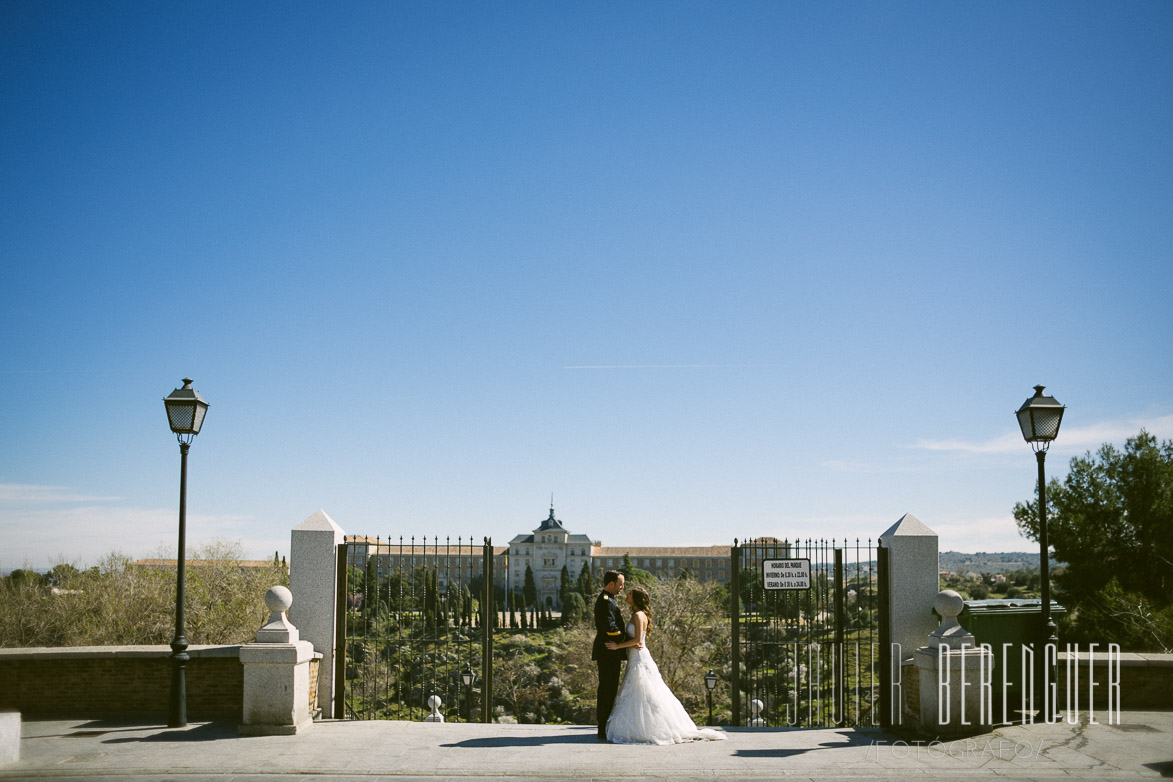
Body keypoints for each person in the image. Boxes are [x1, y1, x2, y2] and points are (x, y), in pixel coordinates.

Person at [604, 586, 726, 745]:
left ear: (636, 598)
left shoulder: (638, 615)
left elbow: (638, 641)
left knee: (643, 690)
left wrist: (617, 646)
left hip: (639, 657)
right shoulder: (637, 614)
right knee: (640, 691)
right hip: (634, 656)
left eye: (630, 594)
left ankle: (648, 728)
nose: (626, 595)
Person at [592, 570, 629, 741]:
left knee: (608, 689)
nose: (622, 587)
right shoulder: (606, 602)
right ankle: (603, 727)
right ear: (611, 584)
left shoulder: (609, 600)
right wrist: (625, 639)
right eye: (620, 584)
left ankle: (604, 725)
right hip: (608, 651)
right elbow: (610, 629)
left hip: (609, 652)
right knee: (607, 690)